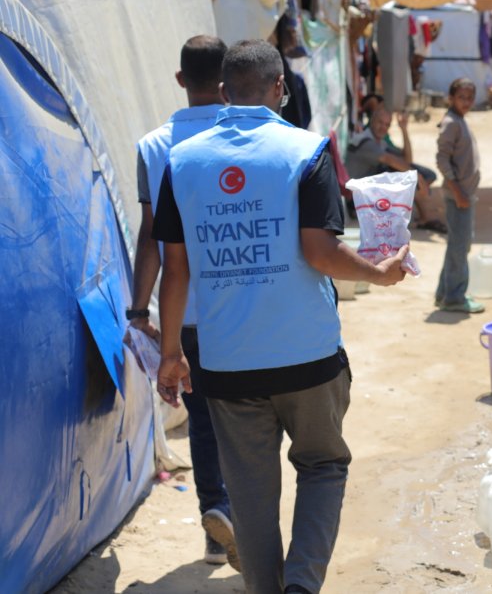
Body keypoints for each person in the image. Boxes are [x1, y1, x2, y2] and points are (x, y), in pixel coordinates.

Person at [154, 39, 413, 594]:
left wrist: (171, 353)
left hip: (226, 363)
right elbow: (321, 253)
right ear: (280, 88)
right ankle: (301, 583)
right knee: (323, 465)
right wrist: (381, 273)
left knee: (249, 495)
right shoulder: (306, 150)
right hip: (308, 358)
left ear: (224, 92)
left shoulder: (182, 160)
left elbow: (174, 271)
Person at [128, 35, 239, 571]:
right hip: (242, 306)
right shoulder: (245, 135)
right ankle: (247, 517)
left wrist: (138, 311)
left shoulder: (154, 145)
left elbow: (151, 234)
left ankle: (217, 518)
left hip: (184, 314)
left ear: (179, 80)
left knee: (201, 418)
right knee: (246, 415)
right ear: (227, 81)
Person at [344, 105, 447, 233]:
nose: (383, 127)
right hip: (356, 199)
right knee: (407, 178)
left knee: (426, 175)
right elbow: (389, 160)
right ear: (372, 121)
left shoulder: (380, 141)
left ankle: (422, 217)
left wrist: (404, 129)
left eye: (387, 125)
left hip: (369, 192)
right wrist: (417, 178)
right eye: (380, 122)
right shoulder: (365, 141)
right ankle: (424, 218)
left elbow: (407, 160)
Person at [435, 77, 485, 314]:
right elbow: (442, 158)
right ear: (451, 98)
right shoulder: (451, 123)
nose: (466, 102)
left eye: (469, 98)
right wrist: (457, 191)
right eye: (461, 97)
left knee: (458, 244)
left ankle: (444, 293)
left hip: (464, 194)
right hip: (459, 196)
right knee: (459, 245)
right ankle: (454, 297)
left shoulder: (459, 120)